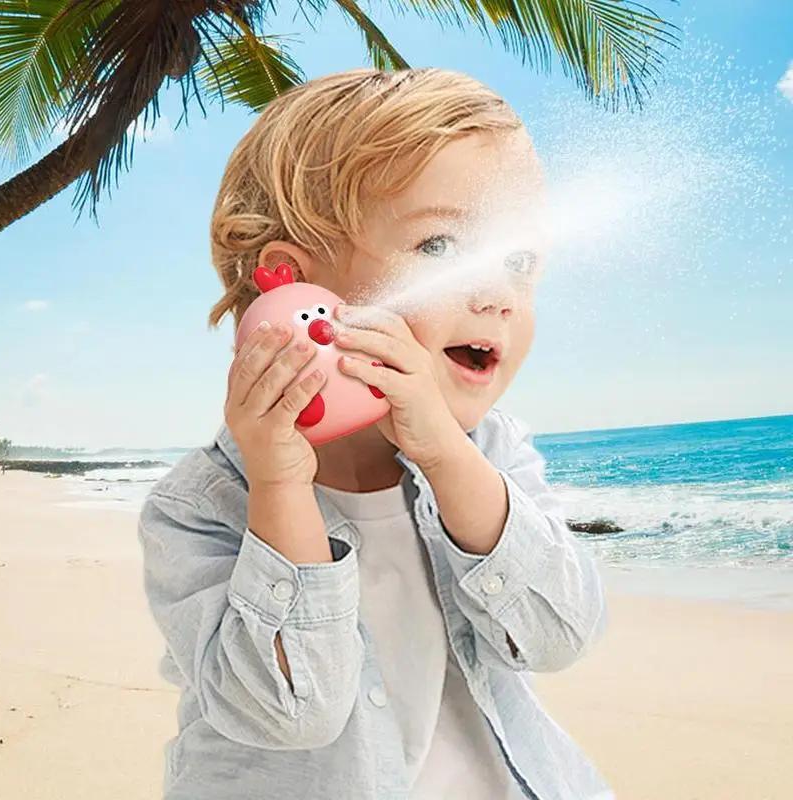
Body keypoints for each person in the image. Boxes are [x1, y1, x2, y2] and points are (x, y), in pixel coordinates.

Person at [138, 67, 613, 800]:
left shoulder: (491, 452)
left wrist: (444, 454)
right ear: (296, 286)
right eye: (439, 247)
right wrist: (279, 485)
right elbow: (289, 710)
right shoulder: (197, 509)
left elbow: (559, 636)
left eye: (519, 261)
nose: (496, 296)